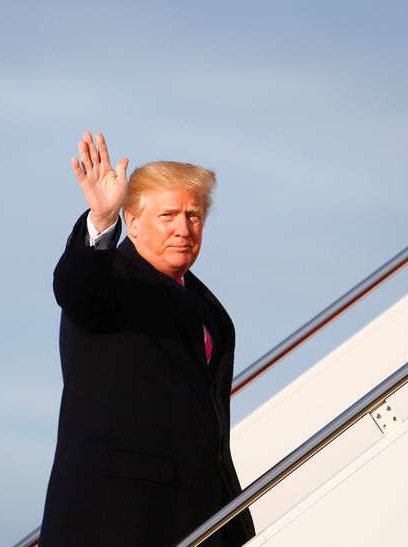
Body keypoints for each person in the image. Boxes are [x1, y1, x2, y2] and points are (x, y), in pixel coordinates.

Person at [40, 132, 254, 546]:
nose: (183, 229)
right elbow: (76, 288)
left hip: (198, 517)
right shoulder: (112, 282)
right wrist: (101, 221)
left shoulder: (211, 311)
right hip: (116, 520)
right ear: (133, 224)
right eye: (168, 215)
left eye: (193, 216)